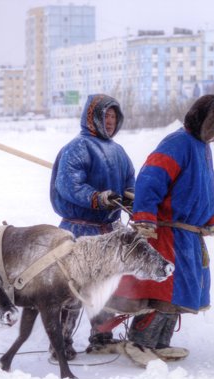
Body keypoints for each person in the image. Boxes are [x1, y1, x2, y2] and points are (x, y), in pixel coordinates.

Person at [111, 94, 214, 359]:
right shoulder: (177, 143)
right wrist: (144, 216)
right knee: (164, 289)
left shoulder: (203, 148)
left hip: (188, 235)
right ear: (202, 121)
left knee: (183, 291)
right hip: (166, 232)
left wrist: (212, 219)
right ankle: (139, 342)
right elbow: (150, 178)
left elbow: (208, 188)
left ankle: (158, 344)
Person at [49, 93, 136, 353]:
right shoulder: (78, 147)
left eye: (113, 116)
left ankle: (101, 337)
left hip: (109, 231)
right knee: (74, 289)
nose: (109, 122)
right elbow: (68, 185)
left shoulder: (118, 151)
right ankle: (61, 343)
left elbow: (130, 179)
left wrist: (130, 196)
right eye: (105, 116)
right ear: (93, 117)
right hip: (80, 230)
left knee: (106, 286)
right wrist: (96, 198)